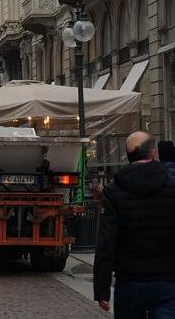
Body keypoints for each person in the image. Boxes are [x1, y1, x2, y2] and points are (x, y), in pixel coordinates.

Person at [94, 131, 175, 316]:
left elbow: (106, 242)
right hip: (168, 280)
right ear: (154, 153)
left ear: (128, 156)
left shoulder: (114, 190)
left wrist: (102, 288)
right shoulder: (172, 186)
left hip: (130, 279)